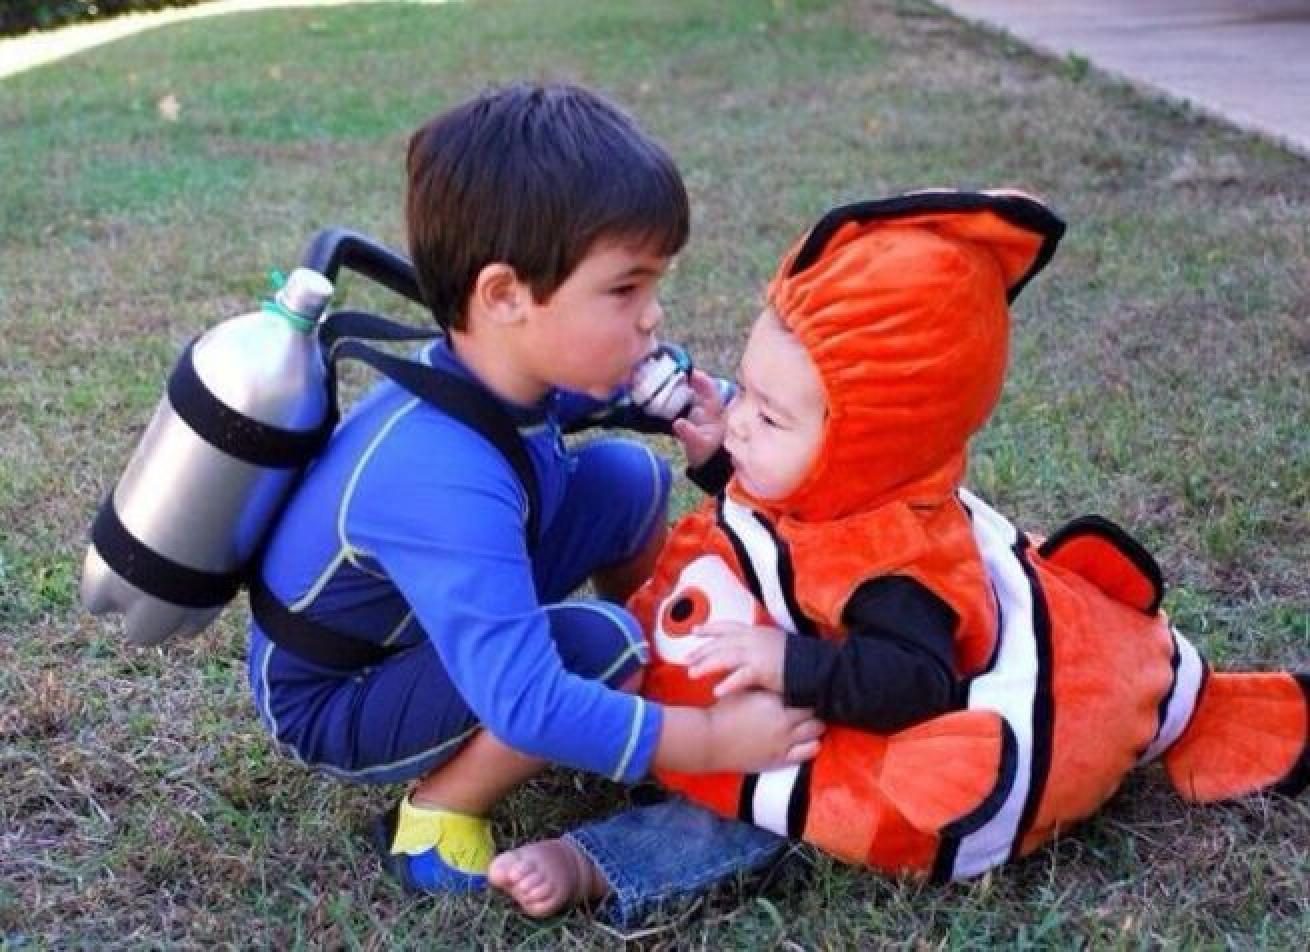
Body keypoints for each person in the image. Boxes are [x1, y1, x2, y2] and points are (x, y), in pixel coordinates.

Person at [491, 189, 1309, 921]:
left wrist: (790, 662)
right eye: (749, 391)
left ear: (866, 450)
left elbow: (915, 682)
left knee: (749, 808)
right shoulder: (838, 486)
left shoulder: (902, 572)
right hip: (792, 652)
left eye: (769, 420)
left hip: (885, 719)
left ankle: (592, 865)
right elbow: (793, 517)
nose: (740, 420)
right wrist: (719, 456)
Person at [245, 82, 823, 895]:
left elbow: (648, 390)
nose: (652, 316)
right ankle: (438, 814)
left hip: (420, 623)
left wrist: (731, 409)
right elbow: (526, 703)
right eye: (625, 290)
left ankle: (661, 664)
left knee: (624, 478)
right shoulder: (442, 476)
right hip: (343, 695)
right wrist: (706, 742)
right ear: (505, 296)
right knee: (593, 646)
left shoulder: (507, 368)